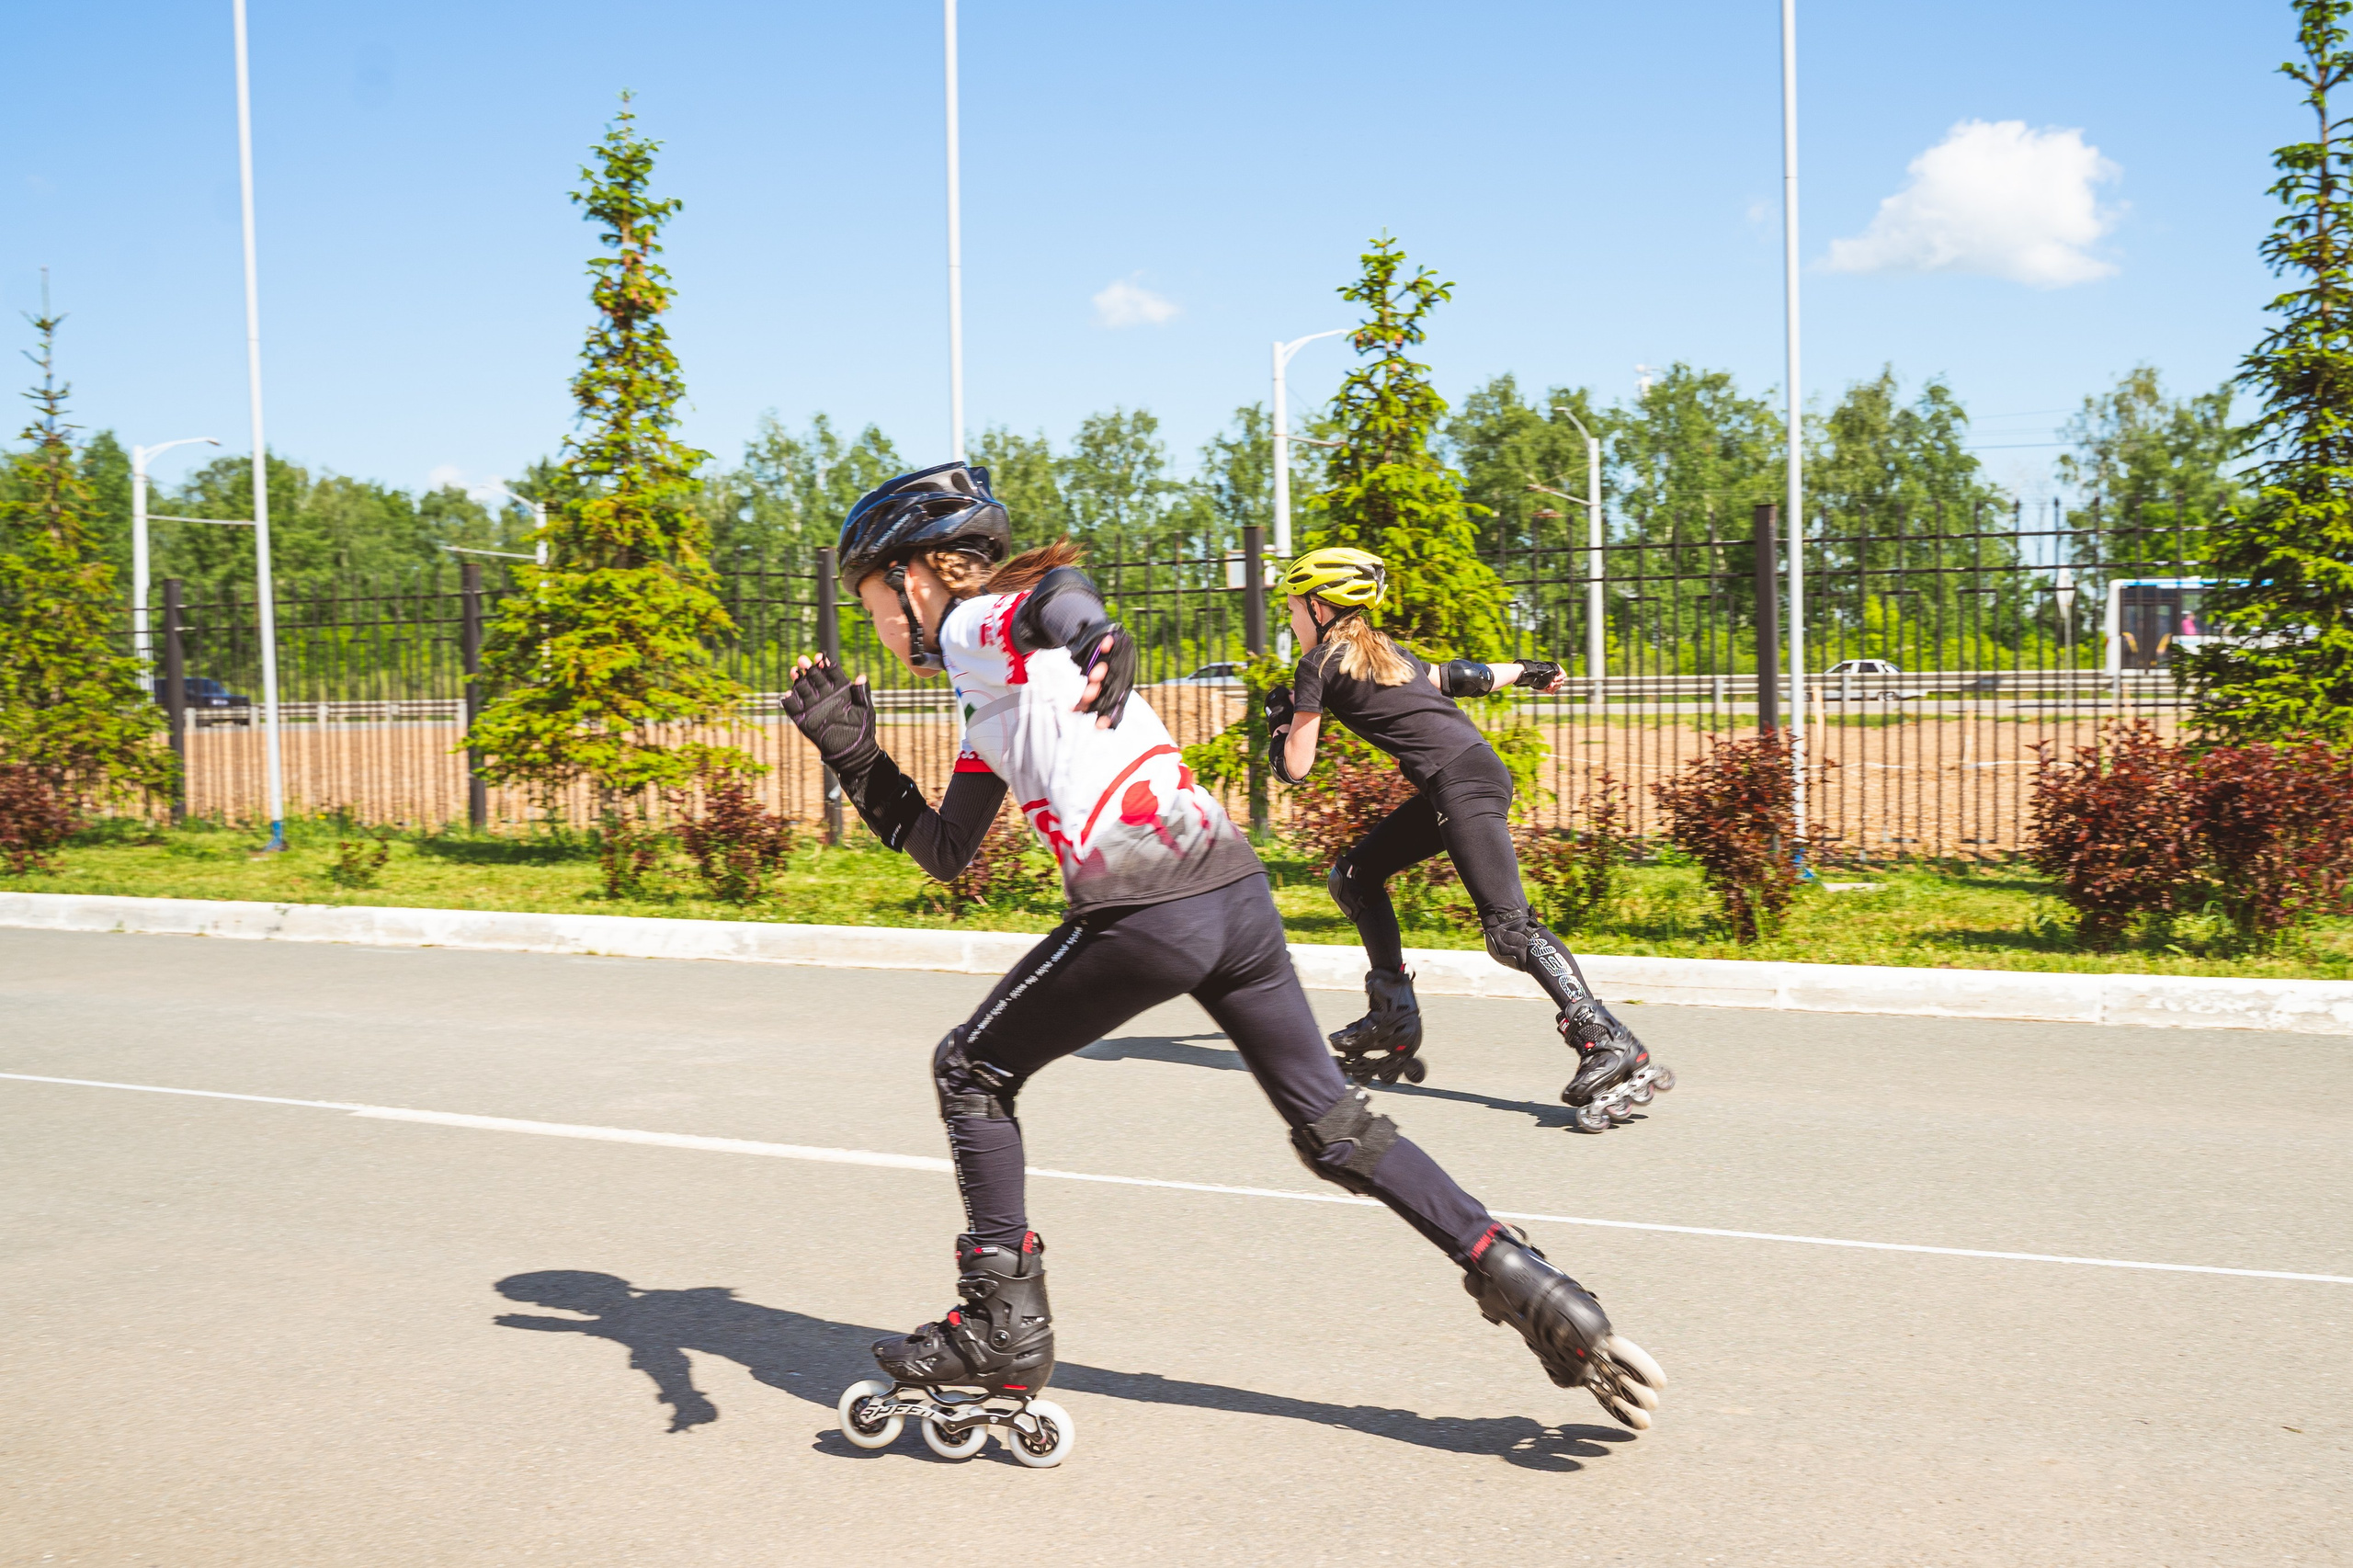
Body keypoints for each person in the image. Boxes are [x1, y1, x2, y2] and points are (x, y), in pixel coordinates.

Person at [784, 462, 1665, 1460]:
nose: (879, 628)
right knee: (1333, 1124)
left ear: (919, 574)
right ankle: (1528, 1282)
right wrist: (857, 759)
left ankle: (1001, 1328)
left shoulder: (973, 623)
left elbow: (1048, 601)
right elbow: (947, 849)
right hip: (1234, 897)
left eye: (873, 602)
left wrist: (1092, 627)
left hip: (1147, 906)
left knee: (969, 1068)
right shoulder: (992, 694)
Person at [1264, 546, 1673, 1134]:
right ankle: (1392, 1016)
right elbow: (1458, 677)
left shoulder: (1320, 665)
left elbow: (1297, 767)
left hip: (1460, 784)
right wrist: (1526, 670)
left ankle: (1607, 1040)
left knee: (1509, 930)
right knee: (1354, 875)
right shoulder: (1382, 653)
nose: (1290, 619)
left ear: (1321, 606)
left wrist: (1279, 725)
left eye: (1293, 608)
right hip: (1459, 779)